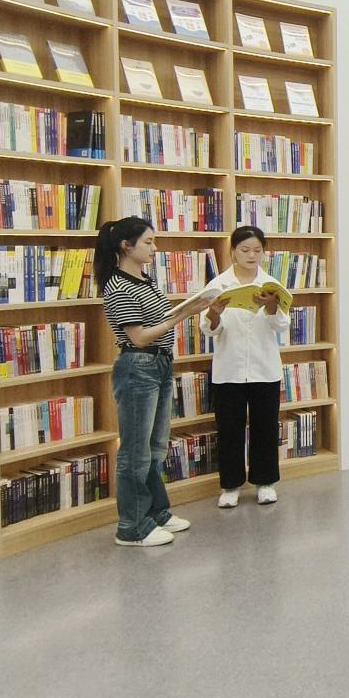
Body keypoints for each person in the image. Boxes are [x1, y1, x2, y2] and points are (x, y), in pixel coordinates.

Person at [97, 216, 212, 547]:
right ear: (126, 246)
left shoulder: (145, 281)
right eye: (148, 242)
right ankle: (131, 527)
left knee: (155, 447)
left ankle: (156, 512)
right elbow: (139, 336)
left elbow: (156, 322)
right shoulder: (117, 286)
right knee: (135, 451)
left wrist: (191, 307)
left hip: (159, 365)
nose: (154, 247)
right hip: (138, 365)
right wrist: (183, 315)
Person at [204, 226, 289, 509]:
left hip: (264, 368)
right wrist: (214, 314)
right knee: (230, 430)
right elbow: (209, 330)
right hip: (229, 369)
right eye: (245, 250)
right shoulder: (219, 284)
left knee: (265, 427)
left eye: (257, 250)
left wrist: (272, 307)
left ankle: (265, 483)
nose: (252, 255)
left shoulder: (271, 284)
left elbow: (282, 326)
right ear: (233, 252)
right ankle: (231, 486)